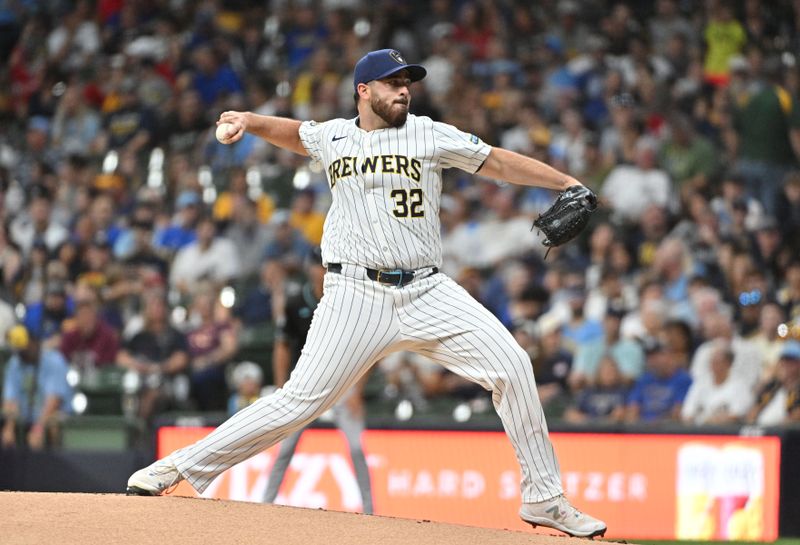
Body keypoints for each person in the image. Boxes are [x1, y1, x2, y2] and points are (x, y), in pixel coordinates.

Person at [126, 48, 606, 538]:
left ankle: (545, 499)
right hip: (355, 292)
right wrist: (249, 120)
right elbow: (296, 133)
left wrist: (564, 181)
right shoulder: (334, 135)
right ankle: (176, 469)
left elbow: (497, 162)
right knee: (298, 402)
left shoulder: (429, 132)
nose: (403, 90)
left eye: (407, 82)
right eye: (392, 82)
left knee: (513, 366)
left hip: (427, 289)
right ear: (363, 90)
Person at [262, 247, 373, 514]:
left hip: (344, 382)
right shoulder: (295, 301)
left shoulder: (350, 301)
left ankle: (371, 511)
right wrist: (280, 386)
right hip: (306, 383)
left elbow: (370, 348)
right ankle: (264, 504)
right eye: (317, 265)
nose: (321, 271)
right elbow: (282, 346)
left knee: (357, 448)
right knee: (285, 445)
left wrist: (358, 390)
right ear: (309, 269)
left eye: (326, 266)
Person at [1, 325, 72, 450]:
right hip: (23, 418)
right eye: (19, 350)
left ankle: (56, 464)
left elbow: (53, 401)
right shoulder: (15, 363)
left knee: (52, 425)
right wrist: (9, 427)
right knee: (6, 432)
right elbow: (10, 399)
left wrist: (38, 428)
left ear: (33, 342)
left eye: (25, 348)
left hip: (51, 416)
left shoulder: (54, 361)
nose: (22, 352)